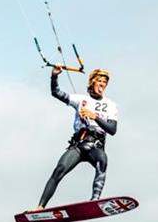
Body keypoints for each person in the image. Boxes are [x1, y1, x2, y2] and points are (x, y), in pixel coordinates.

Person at [33, 66, 118, 211]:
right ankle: (40, 206)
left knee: (103, 161)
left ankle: (94, 201)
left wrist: (94, 116)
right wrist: (54, 76)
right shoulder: (80, 100)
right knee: (59, 169)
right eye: (100, 81)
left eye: (105, 82)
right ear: (92, 82)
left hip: (96, 146)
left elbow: (112, 130)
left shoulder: (110, 105)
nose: (102, 85)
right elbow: (56, 92)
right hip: (79, 145)